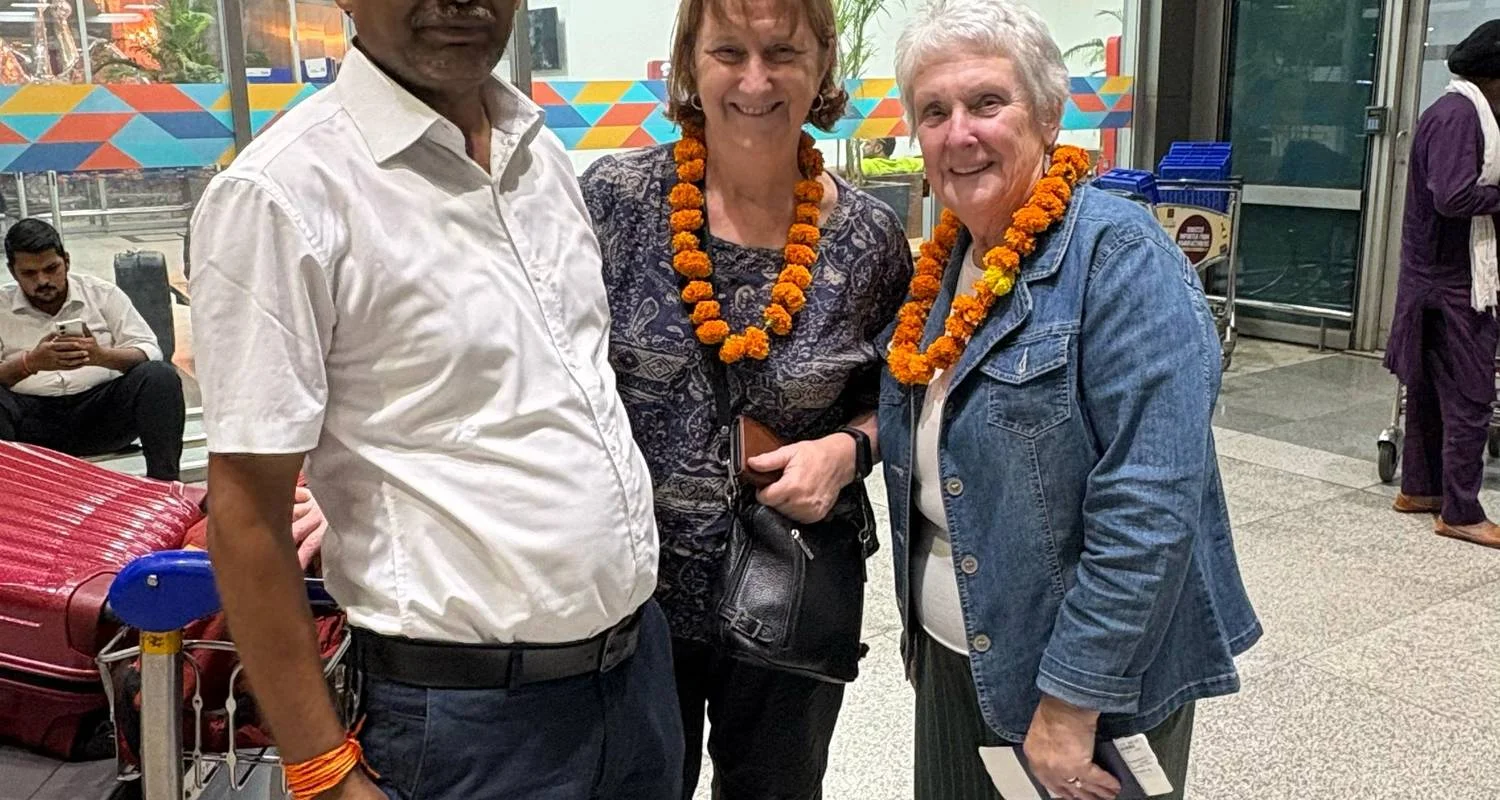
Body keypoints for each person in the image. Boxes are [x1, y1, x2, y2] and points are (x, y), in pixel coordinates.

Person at [186, 0, 682, 796]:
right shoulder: (282, 194)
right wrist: (322, 772)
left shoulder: (540, 155)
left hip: (635, 680)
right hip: (465, 721)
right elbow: (245, 511)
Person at [877, 2, 1261, 799]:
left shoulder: (1120, 256)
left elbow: (1150, 500)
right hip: (958, 660)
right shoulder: (946, 268)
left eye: (987, 102)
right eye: (934, 112)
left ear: (1048, 116)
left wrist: (1071, 700)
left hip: (1088, 689)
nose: (959, 133)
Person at [580, 0, 912, 796]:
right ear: (689, 65)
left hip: (789, 593)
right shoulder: (616, 202)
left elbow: (904, 397)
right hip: (628, 599)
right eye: (728, 52)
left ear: (822, 65)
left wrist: (847, 451)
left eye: (783, 53)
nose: (755, 81)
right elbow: (529, 361)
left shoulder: (869, 239)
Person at [1384, 19, 1500, 550]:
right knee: (1471, 398)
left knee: (1430, 394)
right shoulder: (1459, 117)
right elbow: (1453, 198)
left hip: (1437, 279)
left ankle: (1420, 489)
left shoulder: (1458, 111)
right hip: (1451, 285)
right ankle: (1461, 512)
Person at [0, 218, 184, 481]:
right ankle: (9, 496)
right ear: (13, 271)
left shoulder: (101, 294)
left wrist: (101, 356)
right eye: (29, 273)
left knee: (159, 376)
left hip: (100, 415)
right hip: (31, 425)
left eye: (51, 268)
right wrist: (30, 363)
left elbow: (149, 350)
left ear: (66, 261)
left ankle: (164, 486)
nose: (43, 280)